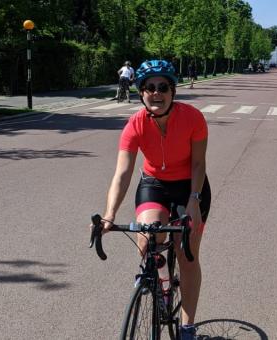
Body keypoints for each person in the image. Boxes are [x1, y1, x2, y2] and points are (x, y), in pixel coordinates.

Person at [98, 59, 211, 340]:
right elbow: (122, 173)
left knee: (186, 255)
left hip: (190, 186)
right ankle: (161, 284)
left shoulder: (193, 118)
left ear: (173, 92)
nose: (156, 93)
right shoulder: (135, 124)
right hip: (155, 184)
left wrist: (194, 201)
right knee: (148, 239)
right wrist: (109, 214)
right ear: (141, 93)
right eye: (149, 87)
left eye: (163, 87)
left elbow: (199, 165)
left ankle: (187, 327)